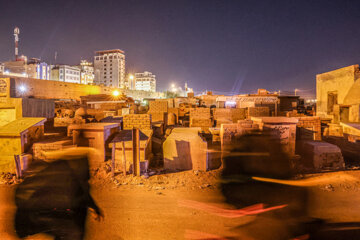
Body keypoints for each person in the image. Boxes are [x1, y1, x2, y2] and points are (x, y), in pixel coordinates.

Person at [14, 147, 103, 240]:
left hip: (64, 220)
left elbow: (83, 194)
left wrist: (94, 207)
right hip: (62, 220)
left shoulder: (68, 175)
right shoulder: (65, 176)